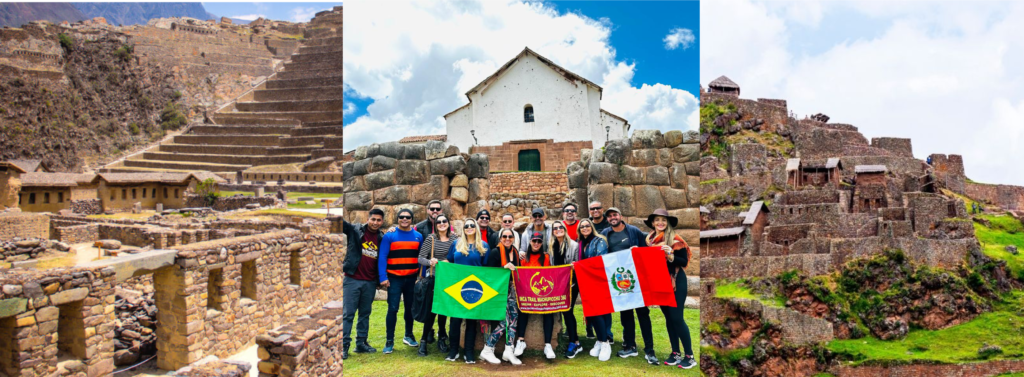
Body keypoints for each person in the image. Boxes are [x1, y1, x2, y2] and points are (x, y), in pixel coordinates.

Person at [600, 207, 659, 365]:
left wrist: (638, 250)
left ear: (620, 215)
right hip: (618, 280)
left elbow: (646, 251)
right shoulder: (606, 234)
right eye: (610, 216)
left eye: (615, 214)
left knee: (643, 314)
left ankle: (649, 350)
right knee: (626, 316)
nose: (613, 217)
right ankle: (630, 346)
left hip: (636, 280)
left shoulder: (633, 231)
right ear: (607, 219)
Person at [644, 209, 697, 369]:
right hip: (660, 282)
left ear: (667, 223)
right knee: (668, 318)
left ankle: (690, 355)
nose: (660, 223)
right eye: (657, 220)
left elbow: (683, 260)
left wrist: (671, 255)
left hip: (675, 281)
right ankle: (675, 352)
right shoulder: (650, 241)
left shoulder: (675, 239)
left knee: (676, 318)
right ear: (653, 223)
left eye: (663, 220)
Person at [340, 209, 385, 359]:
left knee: (365, 314)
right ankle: (344, 345)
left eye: (379, 220)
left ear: (382, 222)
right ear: (368, 218)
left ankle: (361, 343)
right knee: (348, 314)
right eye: (373, 219)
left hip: (370, 282)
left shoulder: (381, 237)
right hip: (352, 279)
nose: (375, 222)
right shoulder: (355, 230)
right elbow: (342, 225)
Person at [378, 208, 424, 354]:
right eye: (402, 217)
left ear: (412, 219)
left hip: (411, 278)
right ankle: (389, 341)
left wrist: (420, 277)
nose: (405, 219)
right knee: (393, 309)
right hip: (394, 279)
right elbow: (382, 257)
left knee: (410, 308)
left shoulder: (418, 236)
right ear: (397, 219)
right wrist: (383, 277)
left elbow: (421, 258)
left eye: (408, 217)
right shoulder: (390, 236)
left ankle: (408, 335)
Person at [444, 218, 490, 364]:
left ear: (476, 228)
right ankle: (453, 351)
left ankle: (469, 352)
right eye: (466, 226)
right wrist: (438, 263)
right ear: (463, 229)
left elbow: (486, 267)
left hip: (474, 288)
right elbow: (449, 261)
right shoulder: (456, 244)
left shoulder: (483, 246)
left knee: (471, 321)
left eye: (472, 225)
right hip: (457, 287)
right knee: (455, 320)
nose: (469, 228)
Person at [479, 228, 524, 365]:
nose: (507, 238)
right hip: (499, 292)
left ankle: (509, 350)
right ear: (500, 238)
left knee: (514, 320)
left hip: (512, 291)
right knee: (504, 322)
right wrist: (503, 268)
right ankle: (487, 348)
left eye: (510, 236)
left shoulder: (515, 252)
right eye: (504, 236)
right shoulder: (495, 252)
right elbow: (489, 273)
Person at [417, 214, 458, 356]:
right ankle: (423, 340)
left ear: (448, 223)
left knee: (443, 311)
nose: (441, 223)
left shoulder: (455, 239)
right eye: (439, 222)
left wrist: (448, 261)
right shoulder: (431, 239)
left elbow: (457, 256)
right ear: (435, 225)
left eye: (444, 221)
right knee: (431, 310)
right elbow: (421, 258)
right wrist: (430, 262)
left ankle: (442, 337)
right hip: (434, 278)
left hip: (448, 279)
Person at [513, 232, 556, 359]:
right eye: (534, 241)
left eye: (539, 241)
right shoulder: (524, 258)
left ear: (542, 243)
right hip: (528, 291)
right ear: (530, 242)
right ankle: (521, 341)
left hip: (543, 292)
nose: (536, 243)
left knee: (548, 311)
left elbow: (552, 273)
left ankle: (548, 345)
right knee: (523, 309)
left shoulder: (547, 257)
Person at [577, 218, 612, 361]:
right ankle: (599, 339)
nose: (585, 228)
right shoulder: (581, 244)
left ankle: (605, 343)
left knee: (599, 312)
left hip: (598, 281)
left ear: (592, 227)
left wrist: (580, 266)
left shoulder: (600, 241)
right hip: (586, 282)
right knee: (591, 313)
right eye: (582, 227)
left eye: (587, 226)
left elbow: (600, 261)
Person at [548, 221, 581, 358]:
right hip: (557, 284)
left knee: (568, 310)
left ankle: (575, 342)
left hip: (571, 283)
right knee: (562, 310)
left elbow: (578, 263)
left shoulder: (573, 245)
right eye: (555, 228)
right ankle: (571, 338)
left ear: (565, 229)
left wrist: (575, 266)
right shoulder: (551, 246)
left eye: (560, 227)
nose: (558, 230)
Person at [585, 201, 610, 339]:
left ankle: (606, 334)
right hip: (587, 273)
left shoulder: (607, 227)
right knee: (590, 304)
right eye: (592, 208)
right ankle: (590, 329)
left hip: (601, 271)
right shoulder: (585, 233)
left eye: (597, 208)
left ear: (602, 209)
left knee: (603, 305)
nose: (595, 210)